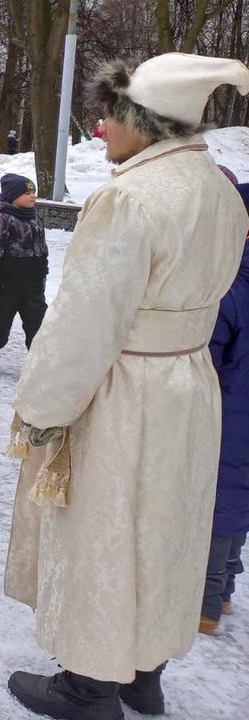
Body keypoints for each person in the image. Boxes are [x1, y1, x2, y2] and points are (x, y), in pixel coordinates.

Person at [4, 54, 249, 719]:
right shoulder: (219, 189)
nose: (100, 127)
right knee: (167, 530)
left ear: (146, 121)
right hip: (190, 384)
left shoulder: (128, 197)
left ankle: (89, 685)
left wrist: (43, 409)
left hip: (124, 388)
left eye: (111, 114)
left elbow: (86, 322)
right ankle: (143, 671)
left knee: (105, 531)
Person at [203, 179, 249, 636]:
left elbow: (208, 360)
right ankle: (228, 587)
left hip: (230, 415)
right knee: (240, 502)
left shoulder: (230, 289)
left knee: (220, 502)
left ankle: (206, 603)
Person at [0, 174, 47, 375]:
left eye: (33, 192)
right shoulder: (2, 220)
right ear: (12, 196)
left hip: (33, 285)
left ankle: (41, 360)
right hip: (6, 284)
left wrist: (42, 275)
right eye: (27, 192)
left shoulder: (35, 218)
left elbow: (42, 249)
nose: (33, 196)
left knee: (38, 323)